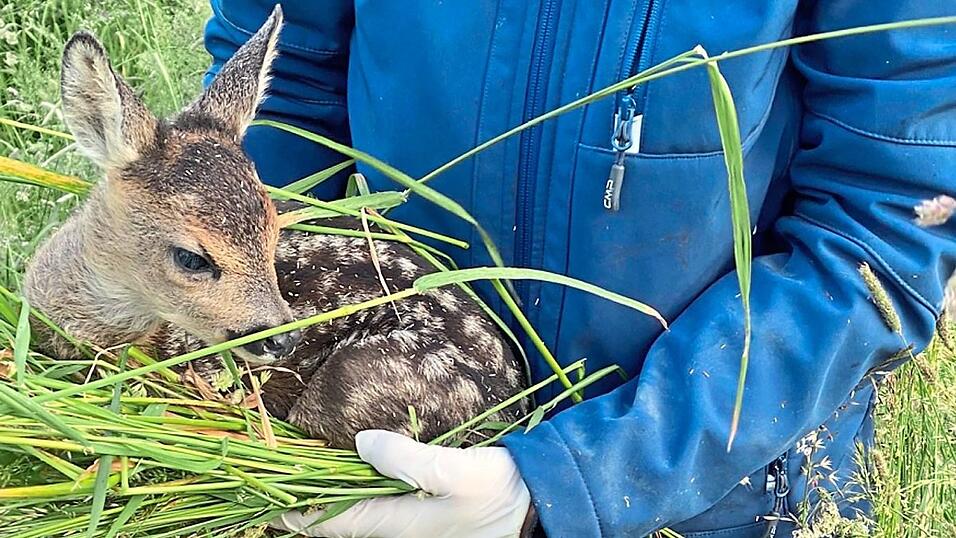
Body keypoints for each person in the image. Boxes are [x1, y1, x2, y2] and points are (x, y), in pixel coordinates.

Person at [202, 2, 956, 537]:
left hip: (716, 488)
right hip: (393, 458)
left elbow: (884, 215)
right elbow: (287, 81)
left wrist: (572, 482)